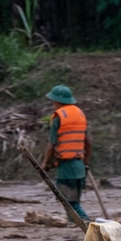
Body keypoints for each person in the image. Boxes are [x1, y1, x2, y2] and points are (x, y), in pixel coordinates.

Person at [40, 84, 91, 225]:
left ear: (58, 101)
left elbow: (51, 145)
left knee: (69, 202)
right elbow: (89, 142)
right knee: (73, 201)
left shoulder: (58, 117)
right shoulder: (80, 114)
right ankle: (74, 224)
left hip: (66, 167)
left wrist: (44, 163)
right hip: (79, 165)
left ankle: (85, 223)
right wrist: (86, 160)